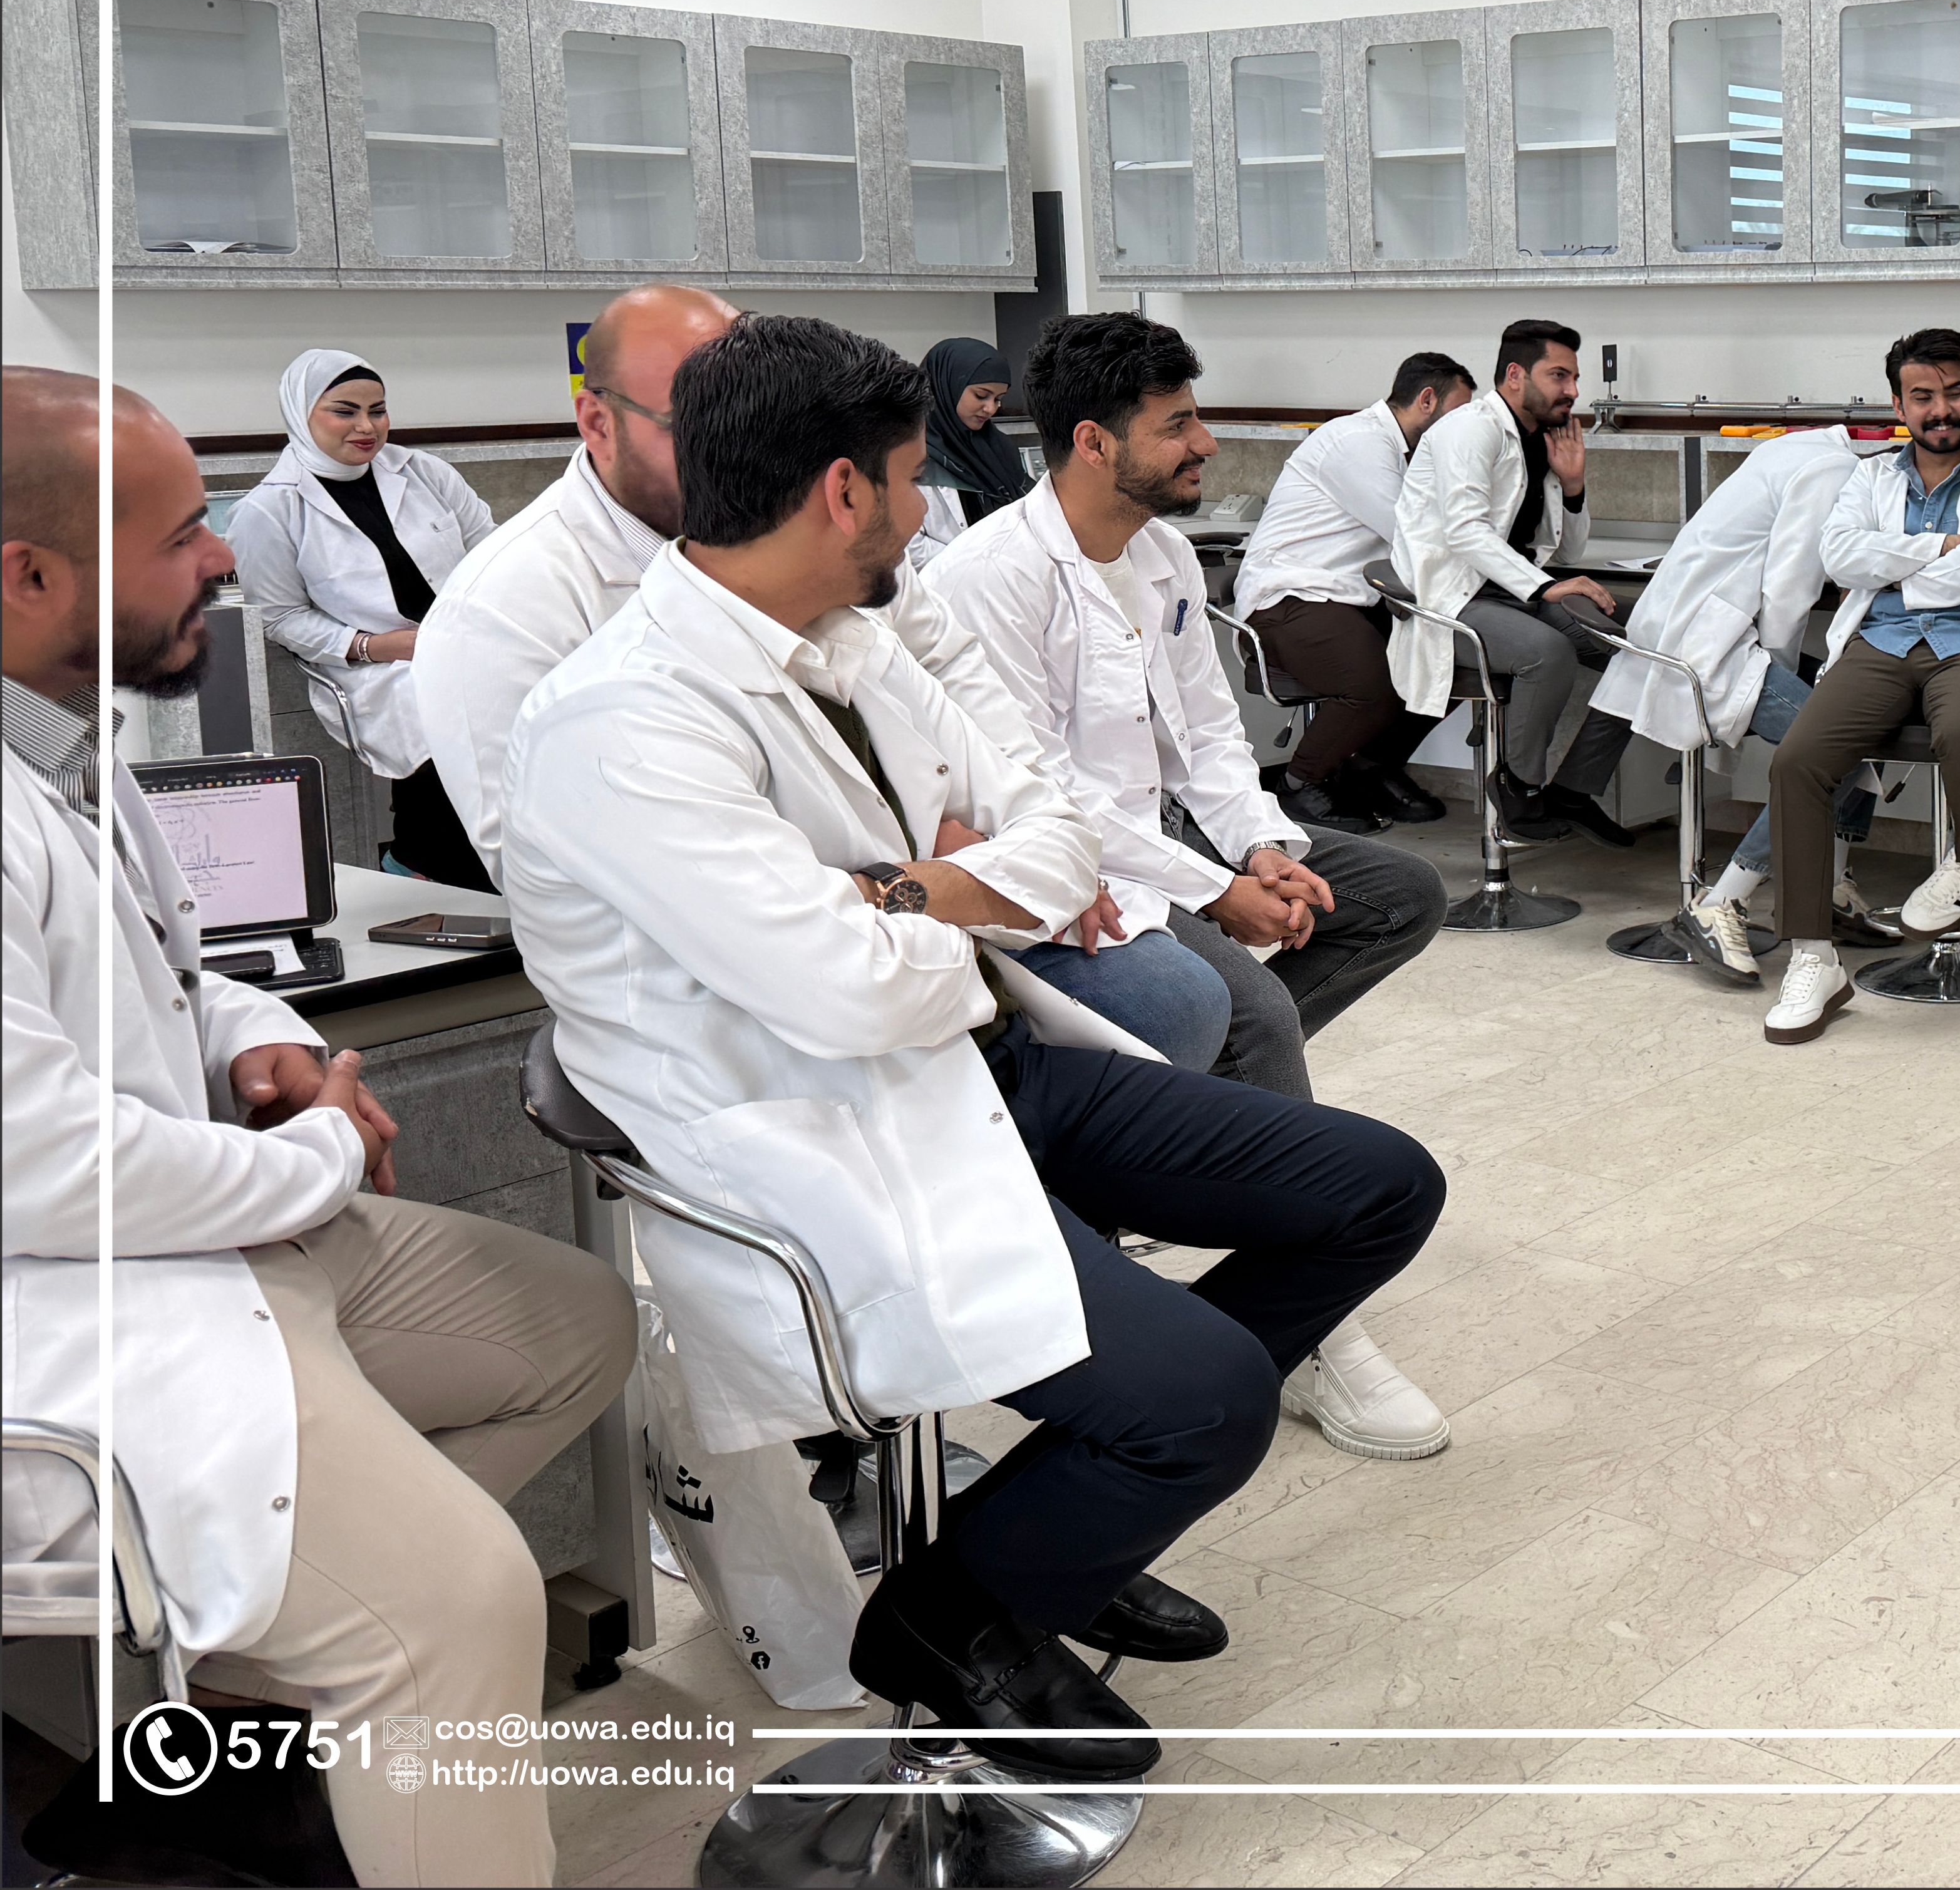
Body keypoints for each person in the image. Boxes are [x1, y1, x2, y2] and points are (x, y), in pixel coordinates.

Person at [498, 317, 1444, 1784]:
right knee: (1207, 1400)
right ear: (843, 493)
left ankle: (1032, 1536)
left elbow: (1056, 837)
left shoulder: (853, 640)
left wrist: (893, 893)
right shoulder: (622, 721)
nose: (925, 509)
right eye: (907, 480)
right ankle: (953, 1620)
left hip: (973, 1069)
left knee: (1378, 1188)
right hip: (820, 1136)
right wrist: (951, 896)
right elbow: (851, 1002)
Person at [3, 369, 632, 1889]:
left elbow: (176, 964)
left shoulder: (64, 748)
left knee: (575, 1324)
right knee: (461, 1606)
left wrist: (267, 1044)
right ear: (27, 577)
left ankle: (259, 1703)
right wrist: (320, 1153)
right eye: (179, 537)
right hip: (77, 1308)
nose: (226, 557)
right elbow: (47, 1166)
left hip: (203, 1247)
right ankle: (362, 1660)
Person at [932, 312, 1453, 1460]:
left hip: (1173, 838)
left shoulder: (1162, 556)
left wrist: (1260, 846)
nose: (1204, 444)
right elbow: (1047, 794)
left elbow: (1211, 736)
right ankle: (1315, 1330)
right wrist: (1211, 891)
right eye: (1177, 426)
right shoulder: (990, 578)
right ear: (1092, 441)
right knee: (1248, 1008)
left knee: (1396, 895)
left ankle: (1191, 1129)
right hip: (1067, 866)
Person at [420, 284, 1048, 873]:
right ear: (598, 423)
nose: (741, 442)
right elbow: (538, 857)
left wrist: (1028, 830)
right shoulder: (497, 607)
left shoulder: (838, 530)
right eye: (692, 422)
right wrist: (915, 863)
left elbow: (943, 661)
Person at [1760, 329, 1960, 1045]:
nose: (1941, 409)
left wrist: (1897, 573)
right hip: (1880, 645)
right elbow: (1839, 556)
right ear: (1899, 405)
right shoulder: (1869, 477)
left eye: (1955, 392)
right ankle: (1813, 958)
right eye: (1923, 396)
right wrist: (1940, 547)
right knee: (1797, 762)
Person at [1591, 422, 1889, 983]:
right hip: (1713, 646)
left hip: (1706, 627)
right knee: (1831, 751)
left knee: (1866, 709)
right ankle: (1720, 902)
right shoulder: (1834, 470)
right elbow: (1788, 590)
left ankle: (1828, 891)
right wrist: (1785, 678)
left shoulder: (1802, 448)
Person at [225, 349, 496, 887]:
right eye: (345, 411)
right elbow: (280, 619)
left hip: (469, 637)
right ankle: (425, 864)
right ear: (301, 413)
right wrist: (379, 645)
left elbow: (494, 552)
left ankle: (490, 865)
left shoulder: (425, 473)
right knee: (447, 714)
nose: (367, 427)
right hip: (377, 665)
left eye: (378, 410)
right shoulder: (268, 511)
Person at [1385, 319, 1636, 845]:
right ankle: (1519, 787)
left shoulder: (1538, 439)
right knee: (1547, 653)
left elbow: (1566, 552)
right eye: (1559, 375)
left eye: (1574, 378)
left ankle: (1573, 790)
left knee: (1640, 649)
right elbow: (1465, 531)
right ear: (1516, 375)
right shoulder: (1470, 430)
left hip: (1509, 592)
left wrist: (1573, 485)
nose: (1573, 390)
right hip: (1453, 597)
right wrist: (1544, 589)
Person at [1237, 351, 1476, 834]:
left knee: (1451, 656)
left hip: (1349, 599)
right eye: (1459, 413)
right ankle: (1299, 784)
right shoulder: (1358, 443)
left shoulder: (1406, 452)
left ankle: (1370, 767)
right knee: (1373, 683)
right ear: (1426, 400)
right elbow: (1416, 536)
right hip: (1290, 596)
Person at [909, 336, 1031, 572]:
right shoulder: (908, 455)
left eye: (998, 399)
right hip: (944, 585)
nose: (991, 408)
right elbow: (909, 549)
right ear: (947, 387)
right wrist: (979, 566)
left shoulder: (1001, 451)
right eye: (981, 395)